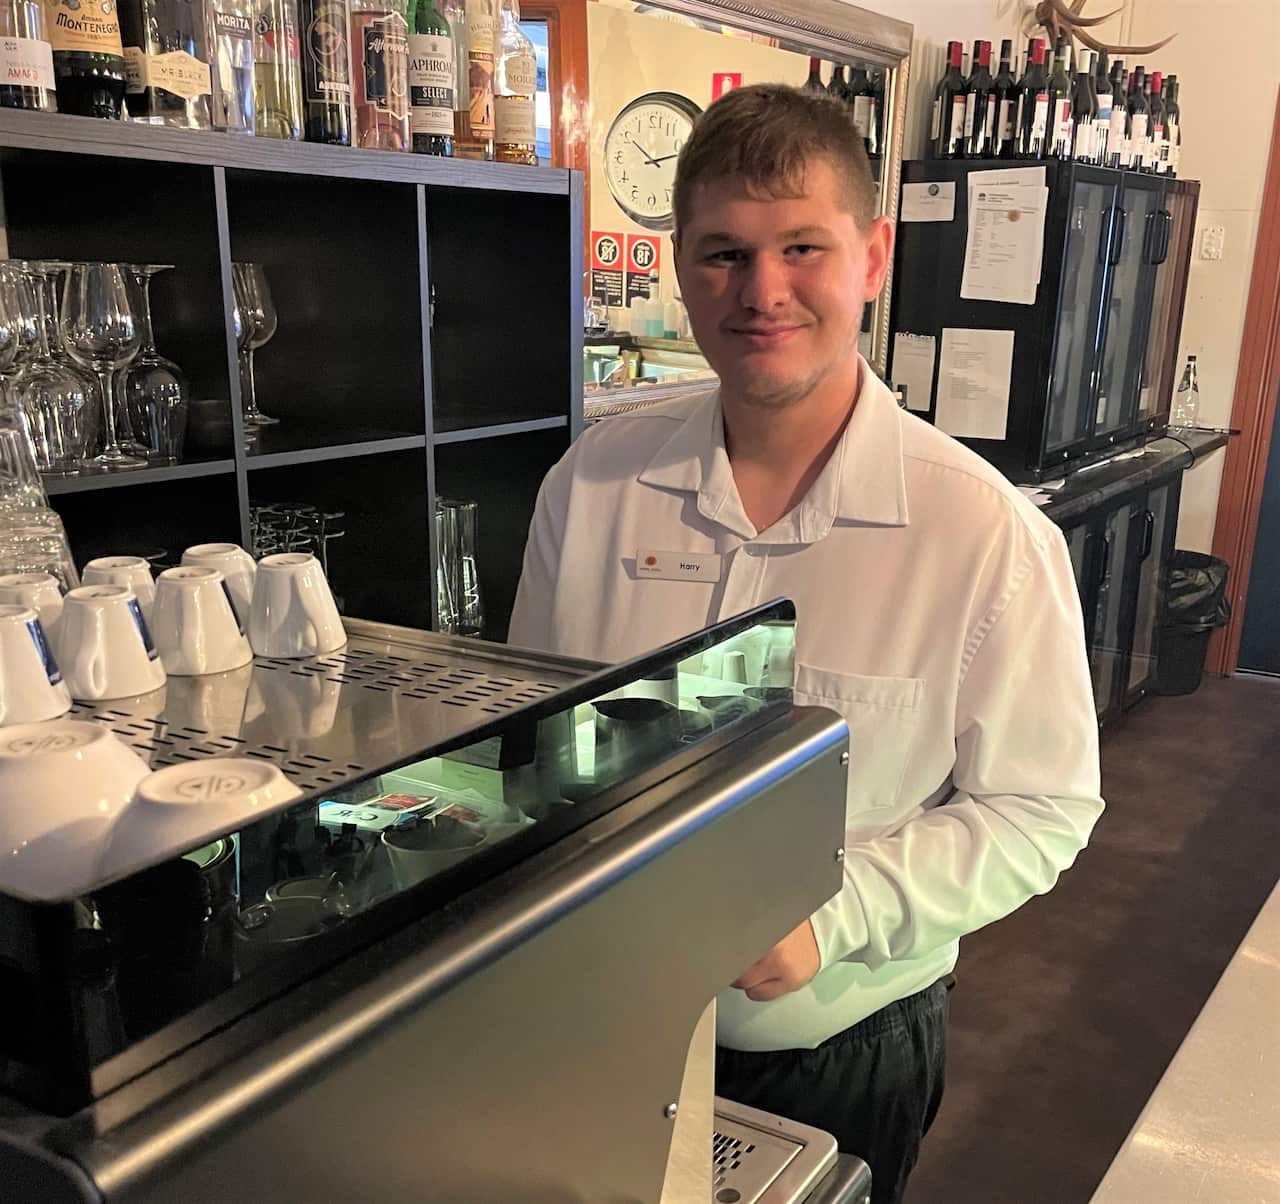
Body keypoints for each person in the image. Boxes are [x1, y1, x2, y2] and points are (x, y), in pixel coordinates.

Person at [508, 83, 1104, 1204]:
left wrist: (832, 918)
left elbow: (1042, 809)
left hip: (838, 1048)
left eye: (801, 248)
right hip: (597, 1020)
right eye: (723, 253)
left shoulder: (981, 532)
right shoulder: (587, 484)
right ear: (678, 263)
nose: (760, 290)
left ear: (871, 258)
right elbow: (538, 738)